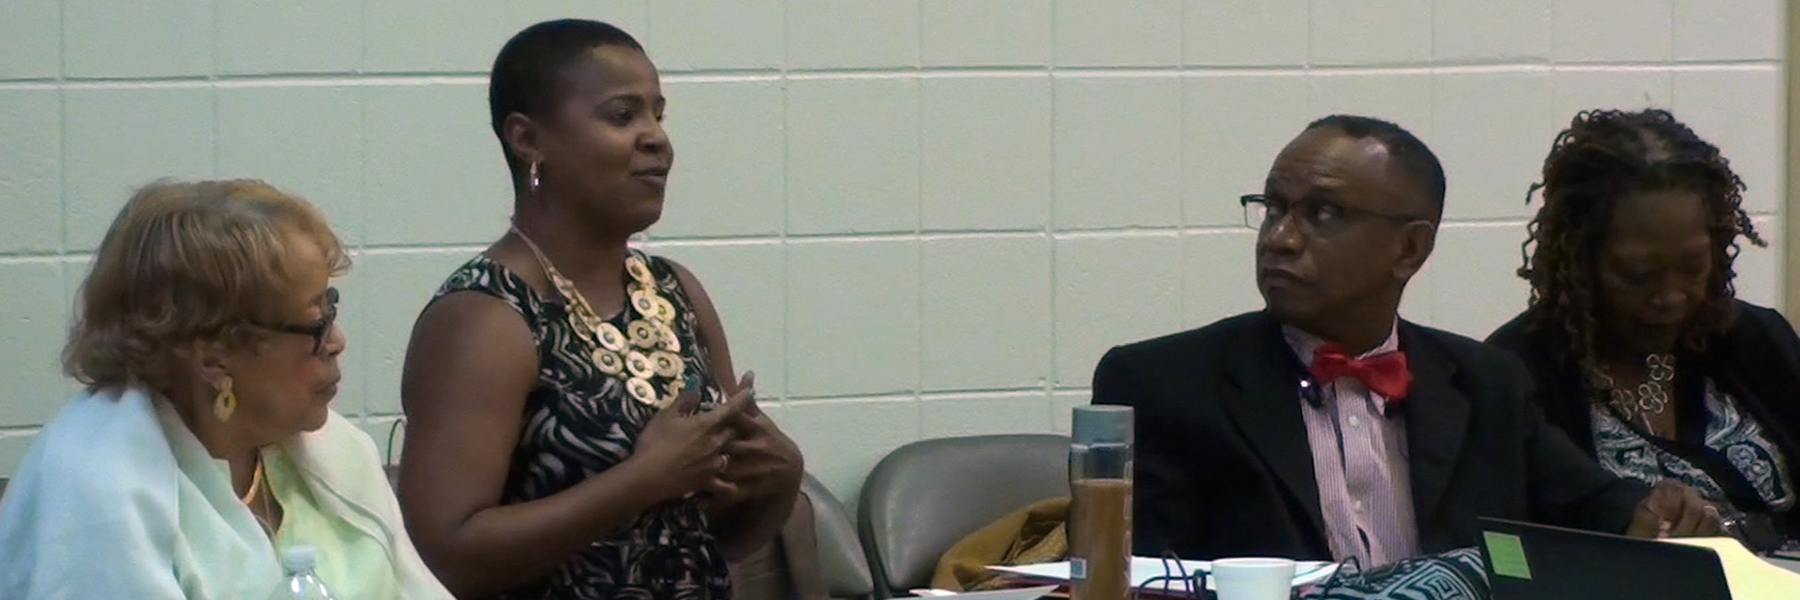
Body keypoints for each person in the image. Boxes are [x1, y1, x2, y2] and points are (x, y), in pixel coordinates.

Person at [1090, 115, 1722, 567]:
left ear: (1410, 248)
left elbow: (1596, 505)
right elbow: (1148, 576)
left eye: (1322, 214)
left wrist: (1659, 512)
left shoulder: (1485, 381)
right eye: (1274, 207)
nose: (1280, 237)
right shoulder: (1165, 383)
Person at [397, 19, 804, 600]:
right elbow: (446, 555)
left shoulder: (676, 292)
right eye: (622, 115)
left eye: (657, 114)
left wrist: (776, 482)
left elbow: (713, 538)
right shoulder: (484, 316)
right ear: (527, 139)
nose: (656, 138)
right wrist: (641, 480)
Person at [0, 180, 452, 600]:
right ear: (212, 356)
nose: (336, 342)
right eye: (315, 322)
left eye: (330, 307)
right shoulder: (98, 494)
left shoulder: (331, 449)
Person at [1487, 109, 1800, 550]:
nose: (1670, 297)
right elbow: (1507, 547)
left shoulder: (1754, 339)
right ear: (1580, 260)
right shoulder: (1517, 373)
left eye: (1693, 268)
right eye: (1638, 275)